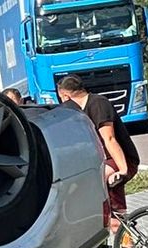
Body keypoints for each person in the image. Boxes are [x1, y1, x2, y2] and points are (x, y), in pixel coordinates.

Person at [57, 74, 140, 233]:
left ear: (66, 96)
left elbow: (109, 139)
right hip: (103, 162)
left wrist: (123, 171)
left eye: (61, 99)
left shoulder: (98, 104)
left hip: (120, 159)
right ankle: (111, 236)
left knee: (92, 184)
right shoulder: (79, 113)